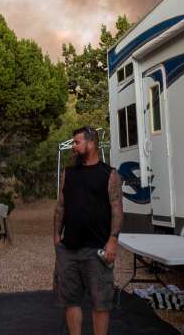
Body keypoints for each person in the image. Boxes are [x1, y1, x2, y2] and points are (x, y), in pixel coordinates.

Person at [54, 127, 122, 335]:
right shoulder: (69, 173)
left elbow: (117, 210)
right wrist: (56, 236)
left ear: (91, 144)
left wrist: (112, 240)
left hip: (97, 249)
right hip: (69, 248)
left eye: (77, 142)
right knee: (70, 300)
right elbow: (61, 206)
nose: (73, 147)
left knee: (101, 302)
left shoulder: (109, 175)